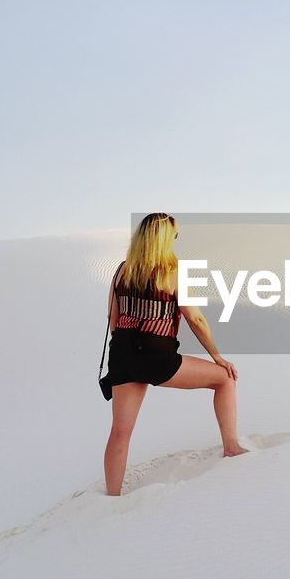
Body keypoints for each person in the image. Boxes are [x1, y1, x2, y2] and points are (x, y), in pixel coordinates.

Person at [104, 212, 248, 496]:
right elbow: (196, 319)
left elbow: (113, 319)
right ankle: (231, 446)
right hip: (158, 357)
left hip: (122, 353)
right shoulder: (172, 272)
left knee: (121, 431)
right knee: (224, 379)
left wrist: (129, 352)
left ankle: (112, 495)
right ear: (165, 239)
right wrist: (217, 356)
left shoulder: (122, 270)